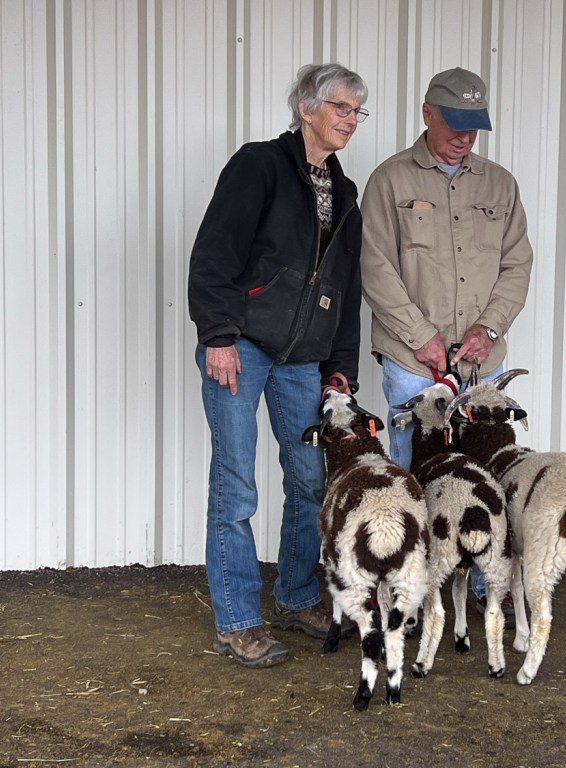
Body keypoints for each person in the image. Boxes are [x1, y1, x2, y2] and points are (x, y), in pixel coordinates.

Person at [188, 63, 369, 668]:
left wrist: (340, 370)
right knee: (235, 482)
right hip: (240, 345)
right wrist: (218, 334)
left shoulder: (345, 194)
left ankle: (294, 596)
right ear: (305, 108)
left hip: (303, 359)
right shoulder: (259, 165)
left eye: (357, 111)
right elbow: (213, 252)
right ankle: (237, 620)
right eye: (341, 107)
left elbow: (345, 290)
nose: (350, 120)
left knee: (310, 479)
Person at [359, 66, 533, 611]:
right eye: (454, 124)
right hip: (414, 361)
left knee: (486, 467)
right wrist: (421, 336)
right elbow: (374, 267)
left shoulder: (500, 184)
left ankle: (487, 585)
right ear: (427, 114)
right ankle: (414, 586)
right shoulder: (390, 181)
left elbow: (517, 265)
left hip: (482, 363)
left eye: (474, 126)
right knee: (417, 471)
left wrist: (489, 328)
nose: (464, 137)